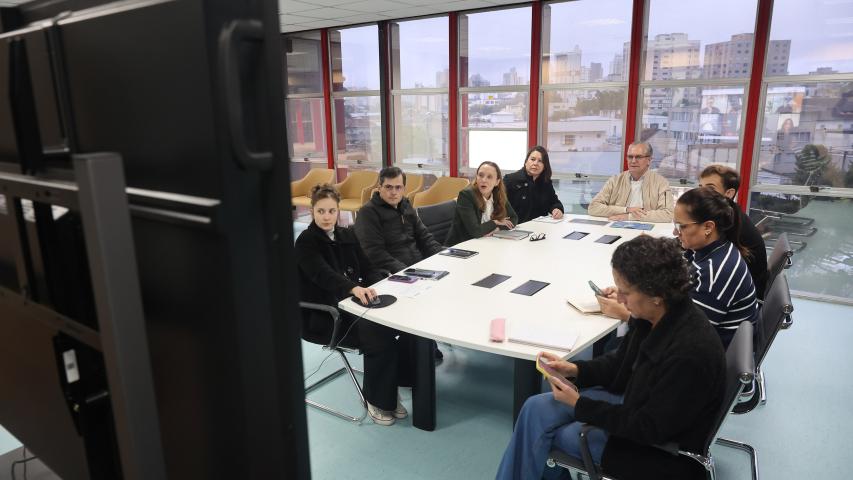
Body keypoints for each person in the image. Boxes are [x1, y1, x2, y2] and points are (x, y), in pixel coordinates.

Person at [496, 236, 726, 480]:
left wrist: (579, 404)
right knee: (535, 408)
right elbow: (620, 365)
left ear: (656, 295)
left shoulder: (689, 353)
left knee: (553, 434)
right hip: (636, 403)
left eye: (625, 292)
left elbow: (648, 429)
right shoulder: (658, 317)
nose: (619, 299)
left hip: (658, 452)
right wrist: (574, 369)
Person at [294, 184, 414, 426]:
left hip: (351, 305)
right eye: (321, 212)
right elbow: (323, 275)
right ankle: (378, 400)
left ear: (338, 211)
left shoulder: (347, 235)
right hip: (325, 316)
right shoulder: (306, 242)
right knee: (377, 333)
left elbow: (367, 266)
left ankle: (389, 390)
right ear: (312, 212)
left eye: (331, 211)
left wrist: (381, 283)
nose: (326, 217)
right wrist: (353, 288)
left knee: (403, 323)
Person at [355, 166, 444, 273]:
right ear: (379, 188)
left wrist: (441, 256)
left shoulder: (405, 205)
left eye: (398, 187)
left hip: (420, 266)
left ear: (404, 189)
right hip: (394, 273)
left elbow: (424, 237)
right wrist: (406, 271)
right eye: (388, 187)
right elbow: (375, 253)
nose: (393, 192)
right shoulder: (368, 213)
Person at [698, 164, 768, 299]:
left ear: (729, 193)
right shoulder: (729, 211)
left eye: (710, 188)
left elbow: (703, 258)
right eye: (700, 187)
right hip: (737, 285)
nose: (701, 193)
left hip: (740, 295)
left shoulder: (726, 221)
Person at [587, 141, 673, 222]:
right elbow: (593, 207)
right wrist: (626, 209)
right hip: (616, 226)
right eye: (630, 157)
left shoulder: (661, 183)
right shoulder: (615, 180)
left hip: (647, 231)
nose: (633, 161)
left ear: (649, 160)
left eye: (638, 157)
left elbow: (668, 214)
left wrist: (629, 217)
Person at [445, 161, 518, 246]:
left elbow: (513, 218)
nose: (483, 180)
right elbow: (476, 231)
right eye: (480, 175)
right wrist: (495, 222)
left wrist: (497, 229)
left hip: (486, 243)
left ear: (497, 182)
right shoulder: (466, 195)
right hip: (462, 246)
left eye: (489, 177)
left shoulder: (498, 195)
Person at [504, 146, 564, 223]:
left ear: (544, 166)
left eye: (540, 161)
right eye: (532, 159)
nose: (535, 163)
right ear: (526, 162)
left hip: (541, 227)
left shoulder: (545, 183)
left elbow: (554, 202)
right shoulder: (510, 180)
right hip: (516, 228)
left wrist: (557, 209)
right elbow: (498, 204)